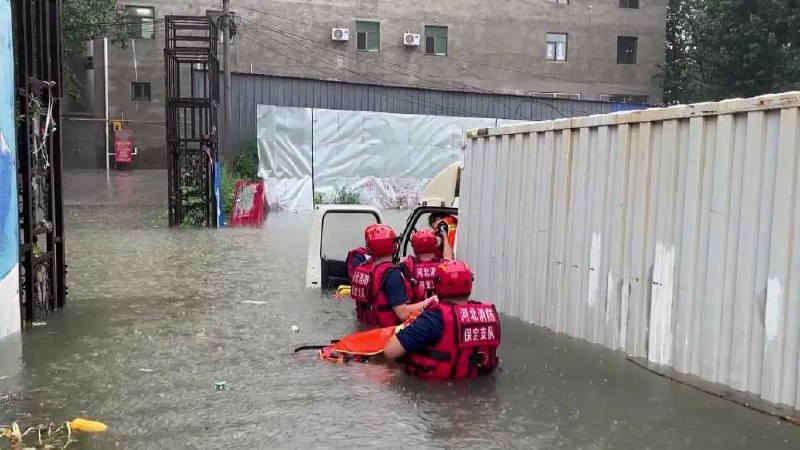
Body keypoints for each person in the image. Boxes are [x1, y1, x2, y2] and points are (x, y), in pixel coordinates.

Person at [383, 260, 501, 379]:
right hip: (478, 386)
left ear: (438, 286)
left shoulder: (433, 319)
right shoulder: (489, 315)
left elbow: (390, 351)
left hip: (434, 390)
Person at [350, 224, 436, 327]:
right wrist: (429, 301)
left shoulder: (362, 268)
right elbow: (402, 314)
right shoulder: (392, 275)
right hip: (384, 333)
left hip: (364, 329)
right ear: (392, 246)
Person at [397, 229, 444, 304]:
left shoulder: (406, 265)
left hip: (414, 311)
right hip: (440, 311)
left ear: (414, 246)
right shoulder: (444, 265)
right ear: (435, 244)